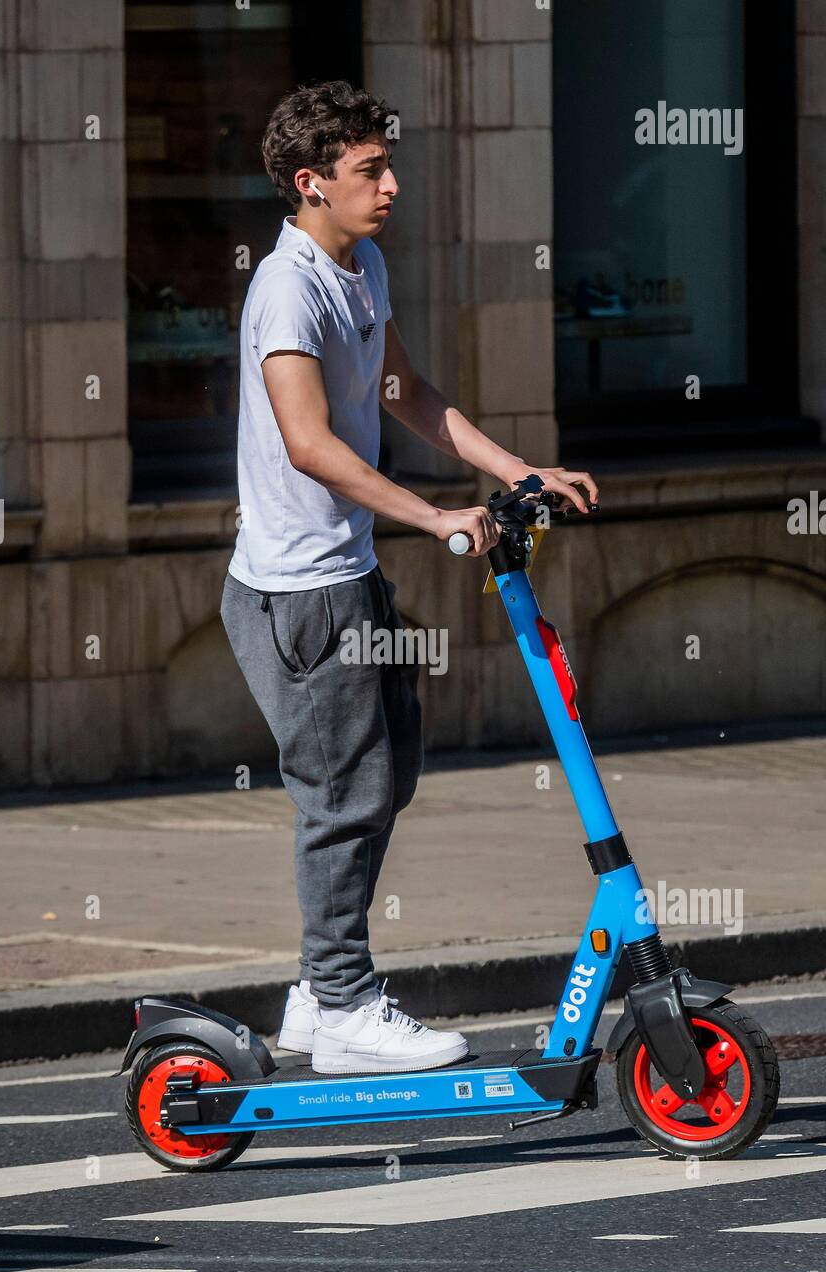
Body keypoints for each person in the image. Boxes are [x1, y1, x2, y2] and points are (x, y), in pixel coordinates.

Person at [220, 79, 597, 1075]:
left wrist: (519, 471)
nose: (391, 183)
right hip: (299, 592)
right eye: (369, 169)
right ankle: (343, 1001)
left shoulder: (362, 266)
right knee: (344, 792)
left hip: (345, 572)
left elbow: (405, 391)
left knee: (388, 771)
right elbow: (308, 443)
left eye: (389, 163)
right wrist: (435, 516)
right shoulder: (286, 287)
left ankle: (314, 989)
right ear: (311, 183)